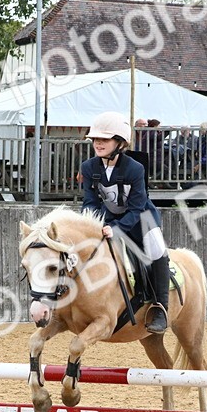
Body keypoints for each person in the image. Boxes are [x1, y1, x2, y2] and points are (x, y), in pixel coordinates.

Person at [81, 111, 171, 334]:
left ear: (120, 143)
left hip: (142, 219)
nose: (98, 143)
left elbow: (136, 207)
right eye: (95, 139)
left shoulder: (135, 168)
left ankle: (160, 308)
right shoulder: (88, 167)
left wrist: (117, 229)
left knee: (156, 249)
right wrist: (92, 226)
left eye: (104, 139)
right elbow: (90, 203)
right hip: (108, 218)